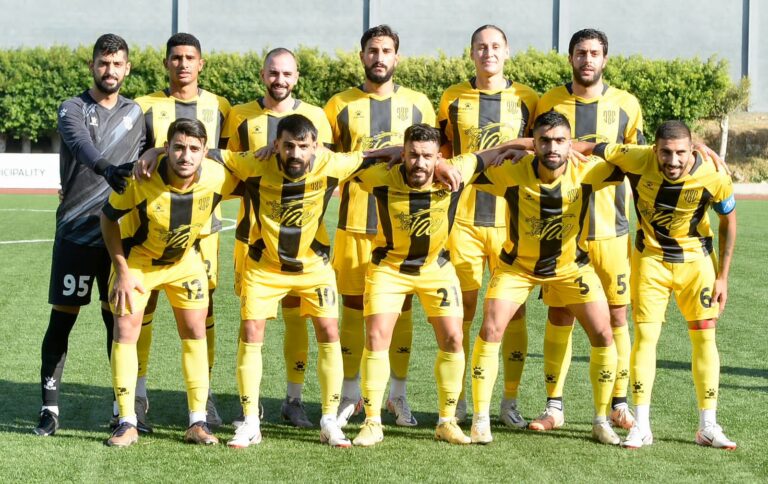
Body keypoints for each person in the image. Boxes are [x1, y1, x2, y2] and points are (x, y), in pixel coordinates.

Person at [576, 120, 737, 449]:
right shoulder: (636, 158)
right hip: (650, 261)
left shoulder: (714, 174)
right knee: (646, 339)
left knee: (705, 339)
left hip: (697, 264)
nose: (673, 160)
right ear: (654, 150)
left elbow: (728, 220)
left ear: (692, 150)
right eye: (665, 152)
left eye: (680, 153)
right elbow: (591, 147)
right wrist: (540, 148)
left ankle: (708, 425)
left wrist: (723, 276)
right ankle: (642, 426)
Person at [469, 111, 621, 445]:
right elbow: (471, 164)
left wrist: (695, 148)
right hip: (517, 267)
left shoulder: (589, 171)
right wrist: (510, 146)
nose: (552, 148)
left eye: (560, 141)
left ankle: (600, 420)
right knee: (491, 328)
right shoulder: (512, 171)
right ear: (534, 143)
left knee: (603, 332)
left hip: (571, 267)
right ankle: (481, 418)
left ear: (570, 144)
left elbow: (635, 161)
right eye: (544, 141)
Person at [530, 28, 645, 432]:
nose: (587, 60)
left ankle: (618, 403)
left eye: (595, 53)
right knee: (560, 312)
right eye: (581, 53)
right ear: (570, 58)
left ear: (605, 59)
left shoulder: (627, 105)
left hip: (611, 228)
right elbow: (533, 154)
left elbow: (639, 165)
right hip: (562, 232)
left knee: (617, 315)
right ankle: (554, 406)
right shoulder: (549, 101)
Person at [101, 118, 238, 447]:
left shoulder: (218, 177)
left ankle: (198, 422)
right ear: (167, 148)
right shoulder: (140, 178)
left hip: (184, 262)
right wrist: (121, 271)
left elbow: (256, 176)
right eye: (178, 147)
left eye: (193, 149)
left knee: (195, 331)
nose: (185, 156)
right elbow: (107, 219)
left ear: (205, 151)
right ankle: (127, 421)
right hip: (139, 262)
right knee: (125, 331)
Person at [325, 24, 436, 428]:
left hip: (403, 228)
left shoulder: (419, 104)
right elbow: (328, 163)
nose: (379, 57)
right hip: (355, 224)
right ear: (362, 56)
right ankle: (350, 394)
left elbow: (432, 160)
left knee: (401, 310)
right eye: (372, 50)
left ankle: (398, 396)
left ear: (396, 57)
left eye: (386, 51)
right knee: (354, 310)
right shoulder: (339, 105)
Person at [34, 33, 145, 437]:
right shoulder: (72, 107)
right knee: (62, 320)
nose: (109, 70)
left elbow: (156, 154)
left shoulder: (138, 112)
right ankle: (49, 409)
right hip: (76, 234)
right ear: (92, 65)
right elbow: (80, 145)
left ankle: (123, 409)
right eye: (103, 63)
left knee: (117, 325)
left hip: (120, 238)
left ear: (127, 68)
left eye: (116, 64)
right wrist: (105, 168)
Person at [222, 47, 333, 428]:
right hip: (254, 237)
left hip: (303, 241)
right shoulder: (240, 115)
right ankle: (249, 406)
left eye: (286, 73)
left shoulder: (316, 116)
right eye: (273, 72)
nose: (279, 80)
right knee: (251, 322)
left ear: (297, 76)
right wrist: (263, 163)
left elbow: (324, 165)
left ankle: (293, 399)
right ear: (262, 74)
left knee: (297, 319)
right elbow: (231, 170)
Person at [437, 24, 538, 426]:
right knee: (461, 312)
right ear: (471, 53)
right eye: (481, 47)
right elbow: (443, 150)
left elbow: (542, 145)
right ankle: (459, 398)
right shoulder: (452, 98)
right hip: (462, 221)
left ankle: (509, 401)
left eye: (496, 46)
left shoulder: (528, 98)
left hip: (512, 221)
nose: (488, 53)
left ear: (507, 52)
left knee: (513, 314)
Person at [133, 32, 231, 430]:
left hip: (204, 229)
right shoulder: (144, 106)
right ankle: (137, 394)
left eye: (190, 57)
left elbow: (226, 158)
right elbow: (133, 160)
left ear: (201, 63)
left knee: (202, 312)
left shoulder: (221, 106)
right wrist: (155, 151)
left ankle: (203, 399)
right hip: (152, 226)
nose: (183, 64)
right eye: (176, 57)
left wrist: (162, 149)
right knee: (143, 308)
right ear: (166, 63)